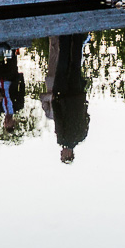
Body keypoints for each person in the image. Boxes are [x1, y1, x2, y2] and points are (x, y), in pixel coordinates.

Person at [45, 33, 89, 164]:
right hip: (63, 96)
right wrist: (54, 101)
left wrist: (83, 103)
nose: (61, 153)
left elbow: (86, 117)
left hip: (77, 97)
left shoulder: (82, 136)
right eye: (63, 156)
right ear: (69, 154)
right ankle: (65, 37)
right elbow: (59, 119)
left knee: (75, 65)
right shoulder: (62, 139)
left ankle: (76, 37)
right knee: (63, 64)